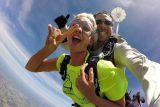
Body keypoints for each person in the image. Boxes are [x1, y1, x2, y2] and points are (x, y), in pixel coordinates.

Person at [25, 12, 128, 107]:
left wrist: (92, 98)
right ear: (68, 33)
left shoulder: (104, 70)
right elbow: (31, 67)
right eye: (73, 26)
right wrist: (47, 50)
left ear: (91, 40)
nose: (78, 29)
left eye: (86, 28)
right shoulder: (63, 61)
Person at [85, 11, 160, 107]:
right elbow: (70, 43)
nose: (103, 25)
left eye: (108, 23)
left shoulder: (118, 49)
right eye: (98, 22)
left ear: (112, 28)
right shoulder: (84, 44)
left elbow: (144, 66)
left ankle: (136, 101)